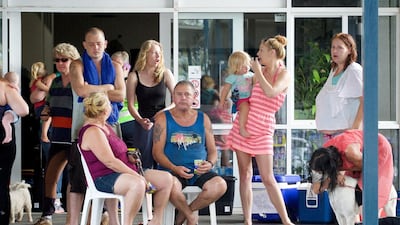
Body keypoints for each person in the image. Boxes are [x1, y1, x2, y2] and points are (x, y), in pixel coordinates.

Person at [227, 35, 294, 225]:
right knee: (245, 174)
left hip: (264, 127)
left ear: (272, 53)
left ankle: (286, 220)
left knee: (267, 177)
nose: (258, 54)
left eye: (261, 51)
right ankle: (247, 220)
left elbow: (272, 92)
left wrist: (258, 72)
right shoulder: (257, 72)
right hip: (245, 124)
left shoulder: (283, 74)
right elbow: (242, 95)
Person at [79, 91, 173, 225]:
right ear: (105, 110)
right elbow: (110, 162)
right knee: (138, 184)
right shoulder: (93, 131)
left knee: (165, 180)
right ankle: (127, 222)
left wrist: (129, 155)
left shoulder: (105, 126)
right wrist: (137, 175)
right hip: (104, 177)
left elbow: (116, 152)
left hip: (124, 170)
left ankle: (155, 221)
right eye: (110, 104)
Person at [68, 27, 125, 225]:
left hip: (110, 124)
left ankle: (113, 220)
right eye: (91, 44)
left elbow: (121, 95)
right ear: (84, 45)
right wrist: (108, 88)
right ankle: (72, 221)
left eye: (99, 43)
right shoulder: (77, 65)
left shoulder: (116, 65)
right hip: (83, 126)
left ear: (106, 43)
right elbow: (80, 90)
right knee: (77, 177)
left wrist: (95, 91)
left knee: (111, 171)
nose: (95, 47)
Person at [153, 80, 227, 225]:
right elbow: (157, 153)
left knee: (220, 185)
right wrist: (175, 168)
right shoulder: (163, 119)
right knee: (171, 185)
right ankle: (191, 217)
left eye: (187, 94)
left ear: (194, 97)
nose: (183, 97)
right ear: (173, 97)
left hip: (199, 170)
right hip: (171, 171)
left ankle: (183, 215)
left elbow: (212, 151)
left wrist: (210, 163)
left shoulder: (203, 119)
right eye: (179, 94)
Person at [33, 43, 81, 225]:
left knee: (77, 179)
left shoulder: (80, 83)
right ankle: (47, 215)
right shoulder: (56, 83)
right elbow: (49, 107)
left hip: (76, 137)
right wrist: (45, 112)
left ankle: (78, 217)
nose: (60, 63)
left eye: (64, 59)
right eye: (57, 60)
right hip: (58, 136)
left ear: (73, 61)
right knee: (51, 177)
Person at [308, 129, 394, 220]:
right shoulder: (322, 156)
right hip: (350, 157)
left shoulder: (351, 153)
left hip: (377, 150)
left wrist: (343, 172)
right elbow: (317, 187)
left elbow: (369, 168)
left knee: (368, 190)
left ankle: (368, 216)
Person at [126, 39, 175, 170]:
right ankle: (147, 187)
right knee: (144, 159)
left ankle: (164, 185)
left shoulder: (166, 73)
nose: (158, 56)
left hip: (162, 119)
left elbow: (177, 100)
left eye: (159, 53)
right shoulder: (134, 76)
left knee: (163, 158)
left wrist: (163, 112)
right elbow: (130, 105)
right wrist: (141, 120)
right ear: (145, 55)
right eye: (154, 53)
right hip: (143, 121)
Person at [315, 33, 363, 141]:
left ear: (350, 50)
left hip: (344, 136)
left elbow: (365, 100)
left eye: (340, 48)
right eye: (333, 47)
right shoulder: (334, 70)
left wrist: (355, 130)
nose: (335, 51)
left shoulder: (354, 70)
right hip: (328, 135)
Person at [0, 76, 29, 225]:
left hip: (4, 141)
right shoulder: (5, 87)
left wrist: (9, 115)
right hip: (5, 141)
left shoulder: (5, 87)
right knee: (2, 184)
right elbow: (23, 110)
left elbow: (23, 110)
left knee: (2, 184)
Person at [219, 50, 254, 137]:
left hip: (251, 98)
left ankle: (252, 127)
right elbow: (225, 90)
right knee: (244, 108)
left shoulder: (251, 75)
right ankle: (242, 128)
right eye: (243, 66)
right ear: (235, 67)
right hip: (240, 99)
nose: (246, 68)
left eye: (248, 65)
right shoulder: (232, 77)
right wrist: (222, 102)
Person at [112, 51, 136, 147]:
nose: (114, 69)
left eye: (118, 66)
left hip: (129, 123)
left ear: (126, 67)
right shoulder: (109, 83)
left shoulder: (132, 81)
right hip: (113, 124)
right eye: (111, 65)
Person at [1, 72, 21, 144]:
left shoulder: (14, 90)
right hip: (8, 111)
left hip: (11, 111)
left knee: (5, 120)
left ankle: (8, 136)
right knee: (5, 120)